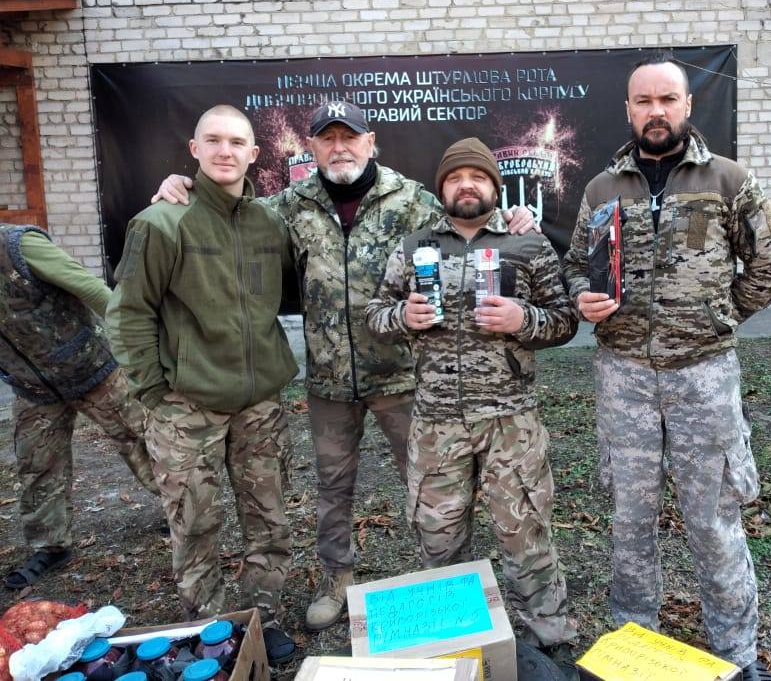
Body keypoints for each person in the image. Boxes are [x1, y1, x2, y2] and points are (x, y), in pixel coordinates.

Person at [152, 101, 535, 631]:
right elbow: (229, 210)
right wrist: (181, 187)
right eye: (326, 139)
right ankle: (338, 581)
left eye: (349, 138)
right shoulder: (289, 205)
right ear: (310, 148)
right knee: (333, 488)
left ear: (370, 141)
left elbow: (468, 221)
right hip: (330, 381)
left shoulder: (410, 201)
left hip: (403, 375)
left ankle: (447, 587)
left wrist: (513, 217)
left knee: (429, 486)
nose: (339, 148)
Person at [560, 53, 771, 681]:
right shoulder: (602, 189)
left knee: (714, 521)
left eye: (668, 100)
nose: (656, 112)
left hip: (704, 377)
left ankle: (737, 658)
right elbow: (576, 266)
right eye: (644, 101)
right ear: (629, 110)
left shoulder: (727, 180)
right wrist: (582, 296)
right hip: (624, 376)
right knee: (630, 523)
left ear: (687, 107)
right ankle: (633, 650)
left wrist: (721, 314)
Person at [366, 137, 579, 670]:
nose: (467, 185)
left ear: (493, 185)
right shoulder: (413, 245)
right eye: (455, 177)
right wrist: (401, 318)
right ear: (442, 188)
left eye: (477, 177)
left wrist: (522, 320)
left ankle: (551, 636)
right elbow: (375, 313)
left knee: (525, 530)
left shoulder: (528, 246)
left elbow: (565, 320)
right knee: (439, 535)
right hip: (436, 421)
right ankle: (452, 641)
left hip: (511, 420)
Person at [107, 105, 299, 663]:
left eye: (237, 142)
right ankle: (215, 630)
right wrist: (154, 391)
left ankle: (263, 617)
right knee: (195, 521)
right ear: (193, 150)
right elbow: (128, 314)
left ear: (254, 154)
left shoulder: (268, 222)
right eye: (212, 141)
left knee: (268, 517)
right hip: (186, 406)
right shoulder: (161, 222)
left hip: (259, 402)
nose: (224, 151)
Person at [0, 224, 159, 590]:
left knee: (142, 437)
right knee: (37, 464)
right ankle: (49, 544)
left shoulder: (19, 246)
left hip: (92, 367)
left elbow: (90, 288)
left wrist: (135, 341)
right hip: (33, 386)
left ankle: (178, 509)